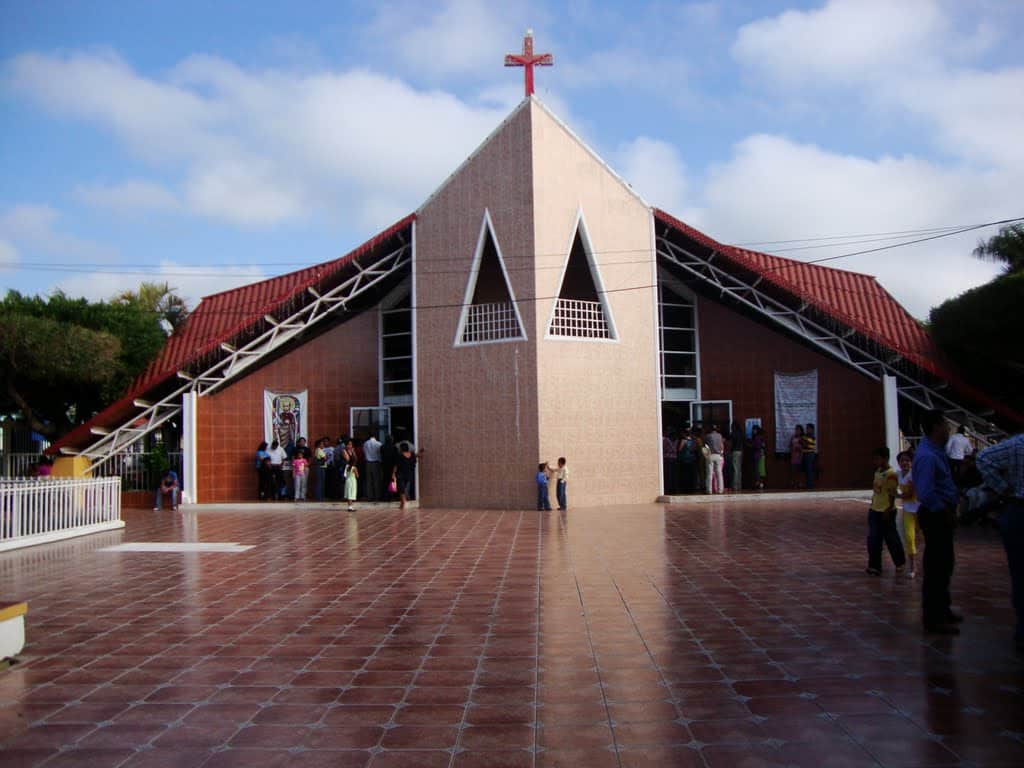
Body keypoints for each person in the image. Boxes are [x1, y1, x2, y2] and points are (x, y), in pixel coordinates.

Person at [913, 409, 962, 635]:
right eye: (944, 424)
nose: (948, 429)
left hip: (941, 512)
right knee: (937, 566)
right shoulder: (927, 456)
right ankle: (933, 617)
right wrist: (944, 511)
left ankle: (942, 608)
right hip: (936, 514)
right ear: (935, 427)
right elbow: (925, 491)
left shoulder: (935, 450)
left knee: (945, 563)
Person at [975, 433, 1024, 650]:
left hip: (1018, 508)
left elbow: (984, 458)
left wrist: (1004, 488)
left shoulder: (1017, 444)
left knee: (1020, 573)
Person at [866, 447, 906, 576]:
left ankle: (900, 562)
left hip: (886, 511)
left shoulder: (891, 475)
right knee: (873, 539)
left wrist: (888, 509)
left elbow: (891, 494)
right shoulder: (877, 472)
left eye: (877, 458)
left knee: (891, 538)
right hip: (875, 509)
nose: (875, 461)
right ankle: (874, 566)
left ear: (885, 458)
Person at [897, 450, 920, 579]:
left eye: (907, 460)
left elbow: (909, 493)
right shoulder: (898, 475)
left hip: (920, 509)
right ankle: (913, 566)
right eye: (902, 461)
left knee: (924, 536)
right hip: (907, 511)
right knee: (909, 537)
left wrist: (896, 495)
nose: (904, 463)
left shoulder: (913, 475)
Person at [393, 442, 421, 511]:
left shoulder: (400, 456)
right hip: (409, 474)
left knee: (401, 488)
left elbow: (396, 465)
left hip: (401, 474)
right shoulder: (412, 455)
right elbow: (415, 460)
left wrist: (393, 473)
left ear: (401, 448)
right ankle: (403, 502)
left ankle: (403, 502)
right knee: (403, 487)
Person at [704, 424, 725, 495]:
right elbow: (722, 445)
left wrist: (706, 456)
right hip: (718, 455)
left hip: (710, 455)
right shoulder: (719, 435)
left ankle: (709, 490)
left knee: (709, 474)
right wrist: (721, 453)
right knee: (719, 473)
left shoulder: (707, 436)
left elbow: (705, 446)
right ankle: (720, 490)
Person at [677, 428, 698, 493]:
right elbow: (694, 449)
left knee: (685, 474)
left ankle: (685, 488)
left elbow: (679, 449)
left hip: (684, 459)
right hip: (692, 459)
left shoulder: (684, 440)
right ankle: (691, 488)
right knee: (691, 474)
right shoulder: (694, 440)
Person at [363, 433, 383, 501]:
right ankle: (377, 496)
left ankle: (369, 496)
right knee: (376, 480)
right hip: (376, 463)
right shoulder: (378, 443)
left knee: (369, 480)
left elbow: (364, 452)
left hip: (368, 463)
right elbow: (380, 453)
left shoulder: (365, 443)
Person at [342, 439, 359, 511]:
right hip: (348, 468)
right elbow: (348, 460)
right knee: (350, 489)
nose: (350, 446)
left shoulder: (352, 451)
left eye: (351, 444)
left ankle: (351, 505)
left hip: (351, 468)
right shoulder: (344, 451)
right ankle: (350, 506)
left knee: (351, 489)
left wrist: (353, 452)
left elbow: (355, 459)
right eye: (348, 444)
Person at [729, 421, 745, 492]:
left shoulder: (733, 434)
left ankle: (735, 486)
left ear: (734, 426)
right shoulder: (741, 433)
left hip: (735, 451)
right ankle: (739, 485)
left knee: (735, 469)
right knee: (739, 469)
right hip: (741, 451)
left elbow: (731, 443)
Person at [802, 424, 818, 489]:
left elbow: (810, 446)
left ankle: (810, 485)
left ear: (812, 429)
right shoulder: (805, 436)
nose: (807, 430)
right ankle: (807, 484)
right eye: (806, 428)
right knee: (806, 470)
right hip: (804, 454)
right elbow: (801, 442)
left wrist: (805, 443)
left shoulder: (812, 437)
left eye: (808, 428)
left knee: (810, 470)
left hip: (810, 454)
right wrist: (804, 443)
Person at [751, 425, 766, 490]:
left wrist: (751, 445)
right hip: (761, 455)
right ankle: (760, 484)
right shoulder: (761, 437)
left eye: (754, 430)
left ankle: (758, 483)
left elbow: (757, 446)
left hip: (757, 455)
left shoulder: (757, 437)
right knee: (760, 470)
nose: (753, 431)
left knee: (757, 470)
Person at [313, 438, 328, 503]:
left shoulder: (318, 450)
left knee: (320, 482)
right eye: (322, 444)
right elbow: (325, 458)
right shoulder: (319, 450)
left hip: (320, 467)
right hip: (320, 467)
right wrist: (326, 457)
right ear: (319, 445)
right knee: (320, 482)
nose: (323, 445)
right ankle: (319, 497)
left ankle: (320, 496)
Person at [662, 431, 677, 495]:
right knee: (673, 474)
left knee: (668, 474)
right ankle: (673, 489)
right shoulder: (676, 440)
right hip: (674, 457)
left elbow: (663, 448)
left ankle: (668, 489)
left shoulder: (666, 440)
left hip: (667, 457)